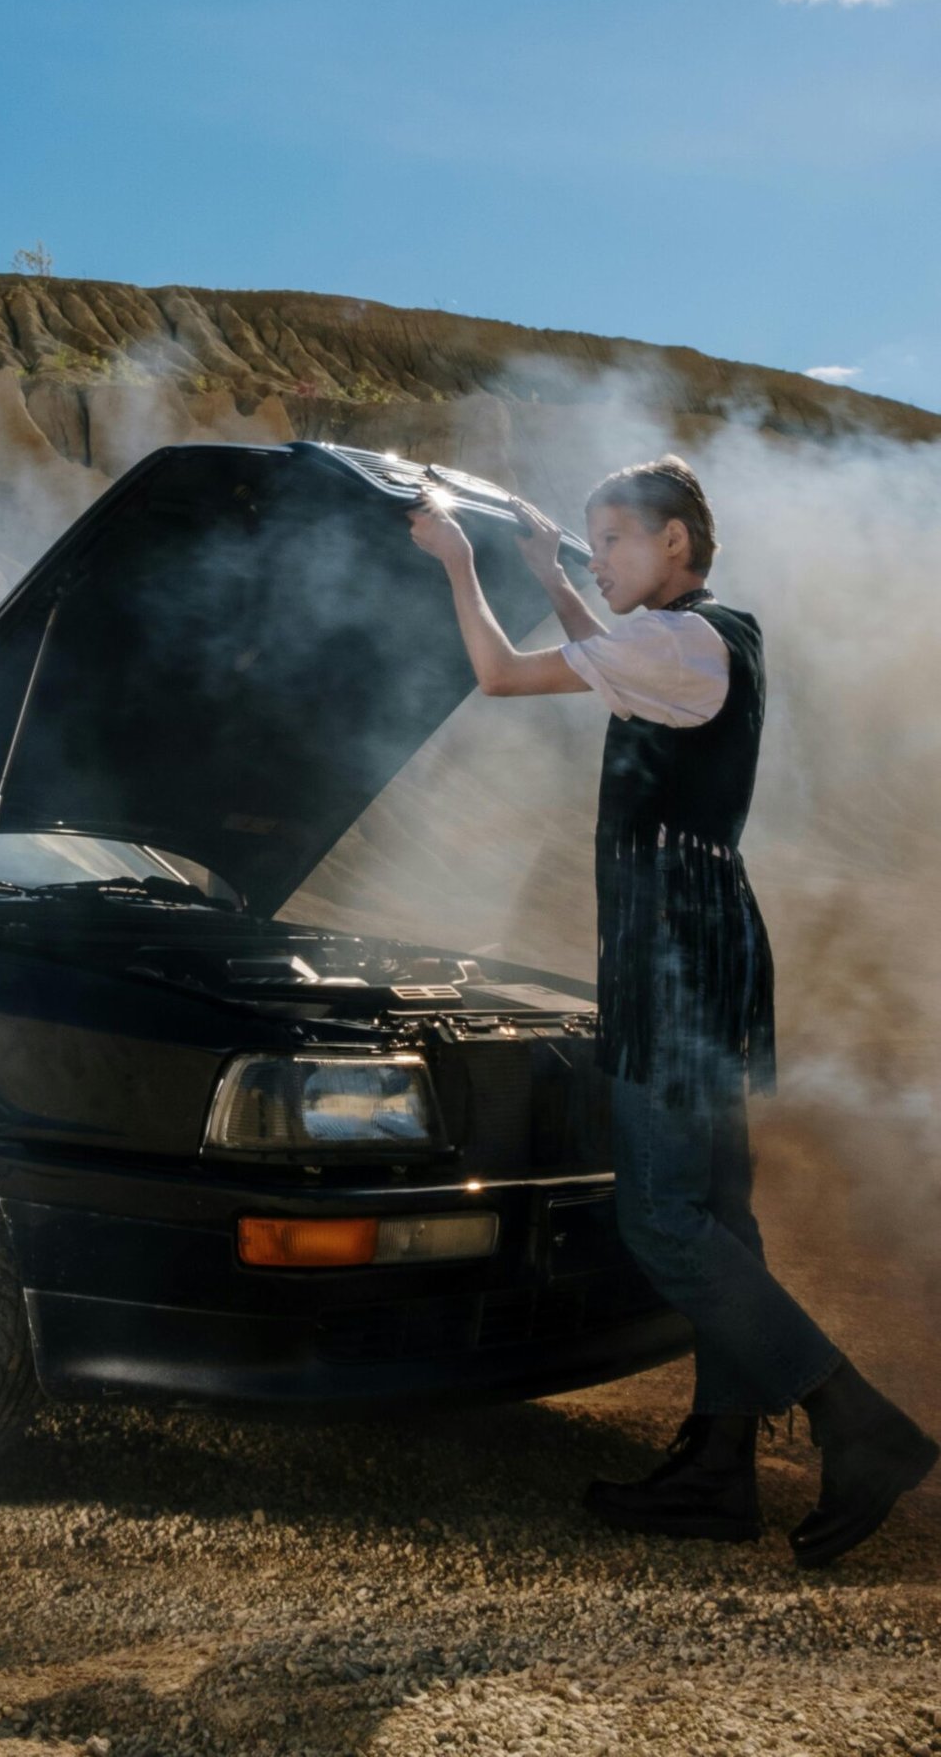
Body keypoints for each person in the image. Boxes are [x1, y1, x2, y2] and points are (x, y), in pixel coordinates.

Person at [408, 457, 936, 1566]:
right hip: (707, 940)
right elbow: (608, 648)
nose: (599, 563)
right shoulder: (700, 638)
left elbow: (502, 677)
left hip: (674, 956)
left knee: (662, 1216)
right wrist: (553, 570)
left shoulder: (674, 645)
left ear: (675, 546)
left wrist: (459, 566)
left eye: (612, 543)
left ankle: (857, 1425)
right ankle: (717, 1470)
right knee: (719, 1213)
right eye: (593, 544)